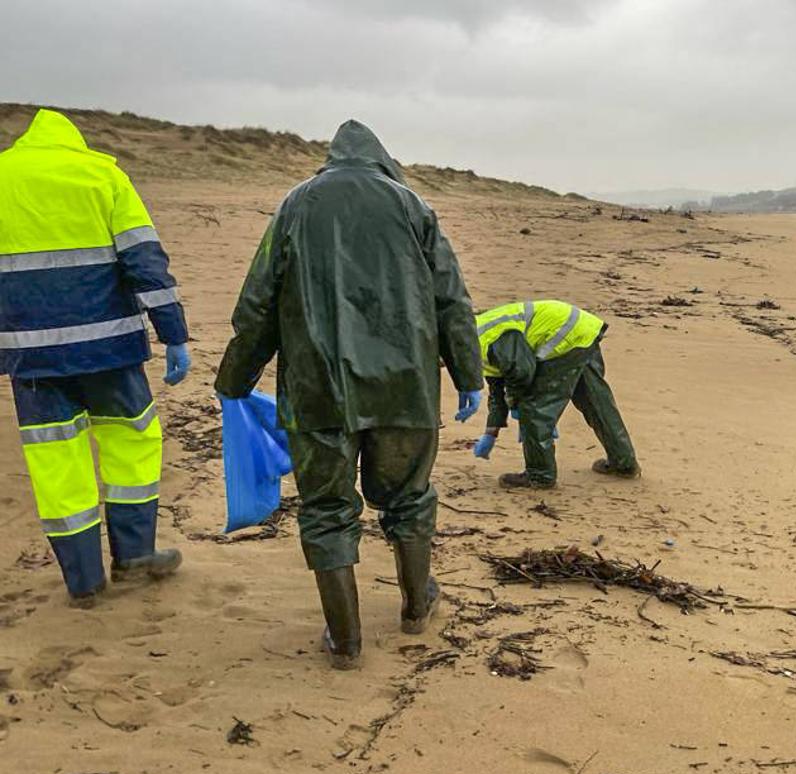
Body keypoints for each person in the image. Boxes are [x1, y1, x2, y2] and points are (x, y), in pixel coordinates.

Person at [215, 120, 482, 669]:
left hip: (317, 392)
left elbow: (258, 303)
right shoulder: (413, 206)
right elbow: (450, 298)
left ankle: (346, 641)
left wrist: (235, 380)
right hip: (404, 390)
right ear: (383, 161)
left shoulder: (296, 204)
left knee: (325, 508)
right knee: (408, 498)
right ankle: (415, 606)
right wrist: (469, 375)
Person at [0, 109, 190, 608]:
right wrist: (174, 334)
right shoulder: (102, 173)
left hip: (31, 359)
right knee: (132, 442)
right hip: (110, 349)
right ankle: (133, 556)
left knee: (56, 462)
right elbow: (145, 260)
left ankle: (83, 582)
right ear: (76, 143)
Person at [473, 300, 639, 489]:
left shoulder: (485, 340)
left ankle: (540, 475)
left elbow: (523, 373)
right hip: (581, 329)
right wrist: (491, 432)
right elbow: (497, 387)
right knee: (594, 401)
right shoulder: (473, 341)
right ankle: (623, 462)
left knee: (534, 409)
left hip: (562, 336)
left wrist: (518, 407)